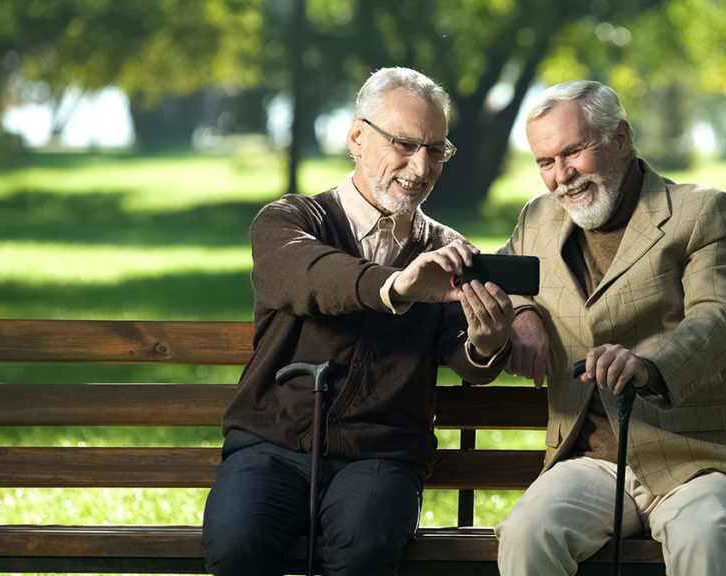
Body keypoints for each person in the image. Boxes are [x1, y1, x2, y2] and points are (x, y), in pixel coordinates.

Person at [202, 67, 514, 576]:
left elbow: (468, 356)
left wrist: (486, 342)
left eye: (436, 150)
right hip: (271, 444)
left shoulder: (448, 251)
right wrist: (396, 286)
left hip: (382, 455)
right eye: (406, 145)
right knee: (237, 545)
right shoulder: (290, 221)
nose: (421, 166)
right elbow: (304, 275)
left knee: (363, 553)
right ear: (356, 138)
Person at [494, 80, 726, 576]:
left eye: (574, 152)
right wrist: (523, 312)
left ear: (621, 137)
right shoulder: (538, 218)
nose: (561, 176)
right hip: (590, 463)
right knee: (527, 535)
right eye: (545, 162)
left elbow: (719, 317)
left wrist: (649, 365)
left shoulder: (704, 212)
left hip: (701, 461)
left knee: (705, 538)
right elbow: (506, 277)